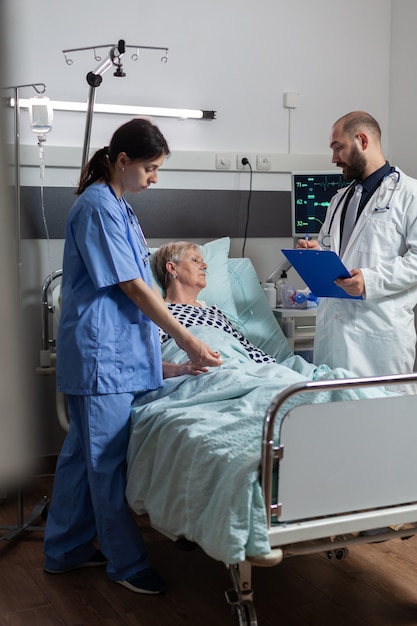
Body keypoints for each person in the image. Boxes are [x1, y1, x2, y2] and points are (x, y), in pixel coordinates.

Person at [43, 119, 222, 595]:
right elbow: (133, 286)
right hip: (103, 358)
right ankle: (125, 562)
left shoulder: (117, 205)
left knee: (82, 457)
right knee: (104, 462)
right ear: (122, 161)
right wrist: (186, 340)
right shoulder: (99, 206)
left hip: (115, 355)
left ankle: (64, 549)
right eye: (150, 168)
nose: (154, 178)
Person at [297, 111, 417, 390]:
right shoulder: (340, 199)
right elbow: (339, 253)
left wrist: (369, 280)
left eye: (338, 147)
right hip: (333, 335)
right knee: (333, 418)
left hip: (378, 339)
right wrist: (318, 254)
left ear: (362, 140)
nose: (334, 158)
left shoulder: (410, 195)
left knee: (382, 425)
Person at [152, 240, 280, 364]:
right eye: (195, 260)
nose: (205, 266)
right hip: (203, 369)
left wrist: (275, 370)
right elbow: (149, 360)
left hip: (240, 365)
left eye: (203, 261)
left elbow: (248, 350)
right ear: (172, 268)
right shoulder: (158, 313)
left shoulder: (214, 313)